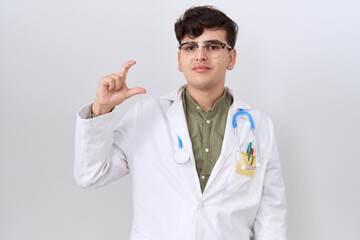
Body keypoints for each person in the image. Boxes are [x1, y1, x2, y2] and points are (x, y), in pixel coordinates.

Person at [74, 5, 287, 240]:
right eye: (190, 47)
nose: (200, 55)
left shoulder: (259, 126)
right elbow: (90, 174)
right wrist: (101, 109)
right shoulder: (146, 115)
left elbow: (271, 217)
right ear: (179, 59)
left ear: (231, 58)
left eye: (213, 46)